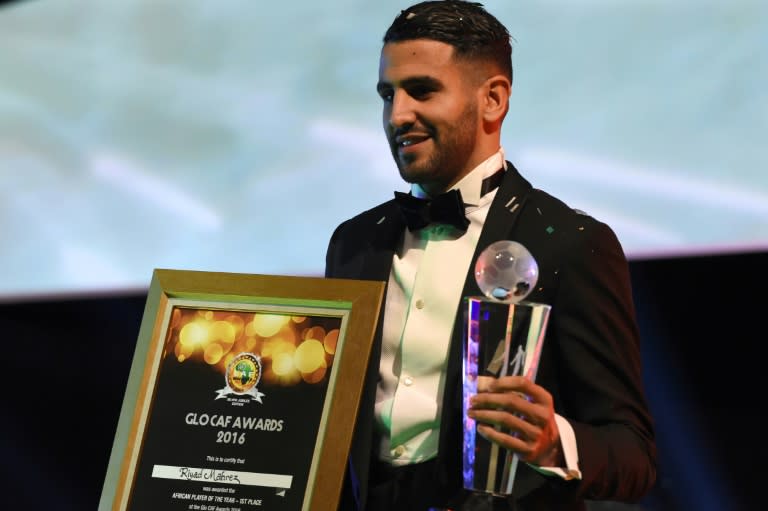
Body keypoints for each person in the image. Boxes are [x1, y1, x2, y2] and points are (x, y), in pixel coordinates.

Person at [324, 1, 657, 510]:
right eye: (387, 94)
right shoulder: (354, 241)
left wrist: (553, 440)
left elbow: (633, 456)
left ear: (493, 100)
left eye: (422, 91)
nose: (397, 115)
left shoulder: (569, 242)